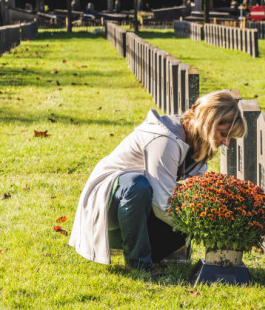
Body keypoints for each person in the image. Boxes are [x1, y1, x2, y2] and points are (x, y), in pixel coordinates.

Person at [68, 90, 246, 276]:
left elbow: (197, 191)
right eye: (223, 133)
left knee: (186, 201)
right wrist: (205, 230)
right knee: (138, 186)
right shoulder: (165, 139)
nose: (226, 143)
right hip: (107, 200)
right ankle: (139, 264)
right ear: (209, 122)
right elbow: (162, 204)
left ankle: (160, 254)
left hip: (140, 201)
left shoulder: (197, 142)